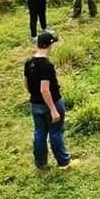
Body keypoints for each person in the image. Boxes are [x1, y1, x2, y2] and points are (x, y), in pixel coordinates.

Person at [24, 30, 72, 170]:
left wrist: (34, 97)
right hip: (50, 102)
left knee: (39, 132)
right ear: (49, 45)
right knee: (56, 132)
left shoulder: (29, 62)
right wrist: (53, 109)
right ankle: (63, 162)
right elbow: (44, 89)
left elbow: (26, 83)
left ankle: (41, 163)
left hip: (35, 103)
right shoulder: (46, 65)